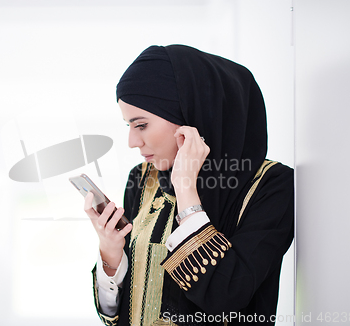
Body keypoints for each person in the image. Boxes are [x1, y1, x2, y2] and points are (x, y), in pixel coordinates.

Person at [83, 45, 294, 326]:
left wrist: (186, 188)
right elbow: (117, 315)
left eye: (141, 125)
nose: (133, 142)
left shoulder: (271, 186)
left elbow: (226, 296)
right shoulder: (142, 179)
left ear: (190, 117)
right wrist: (110, 253)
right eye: (128, 126)